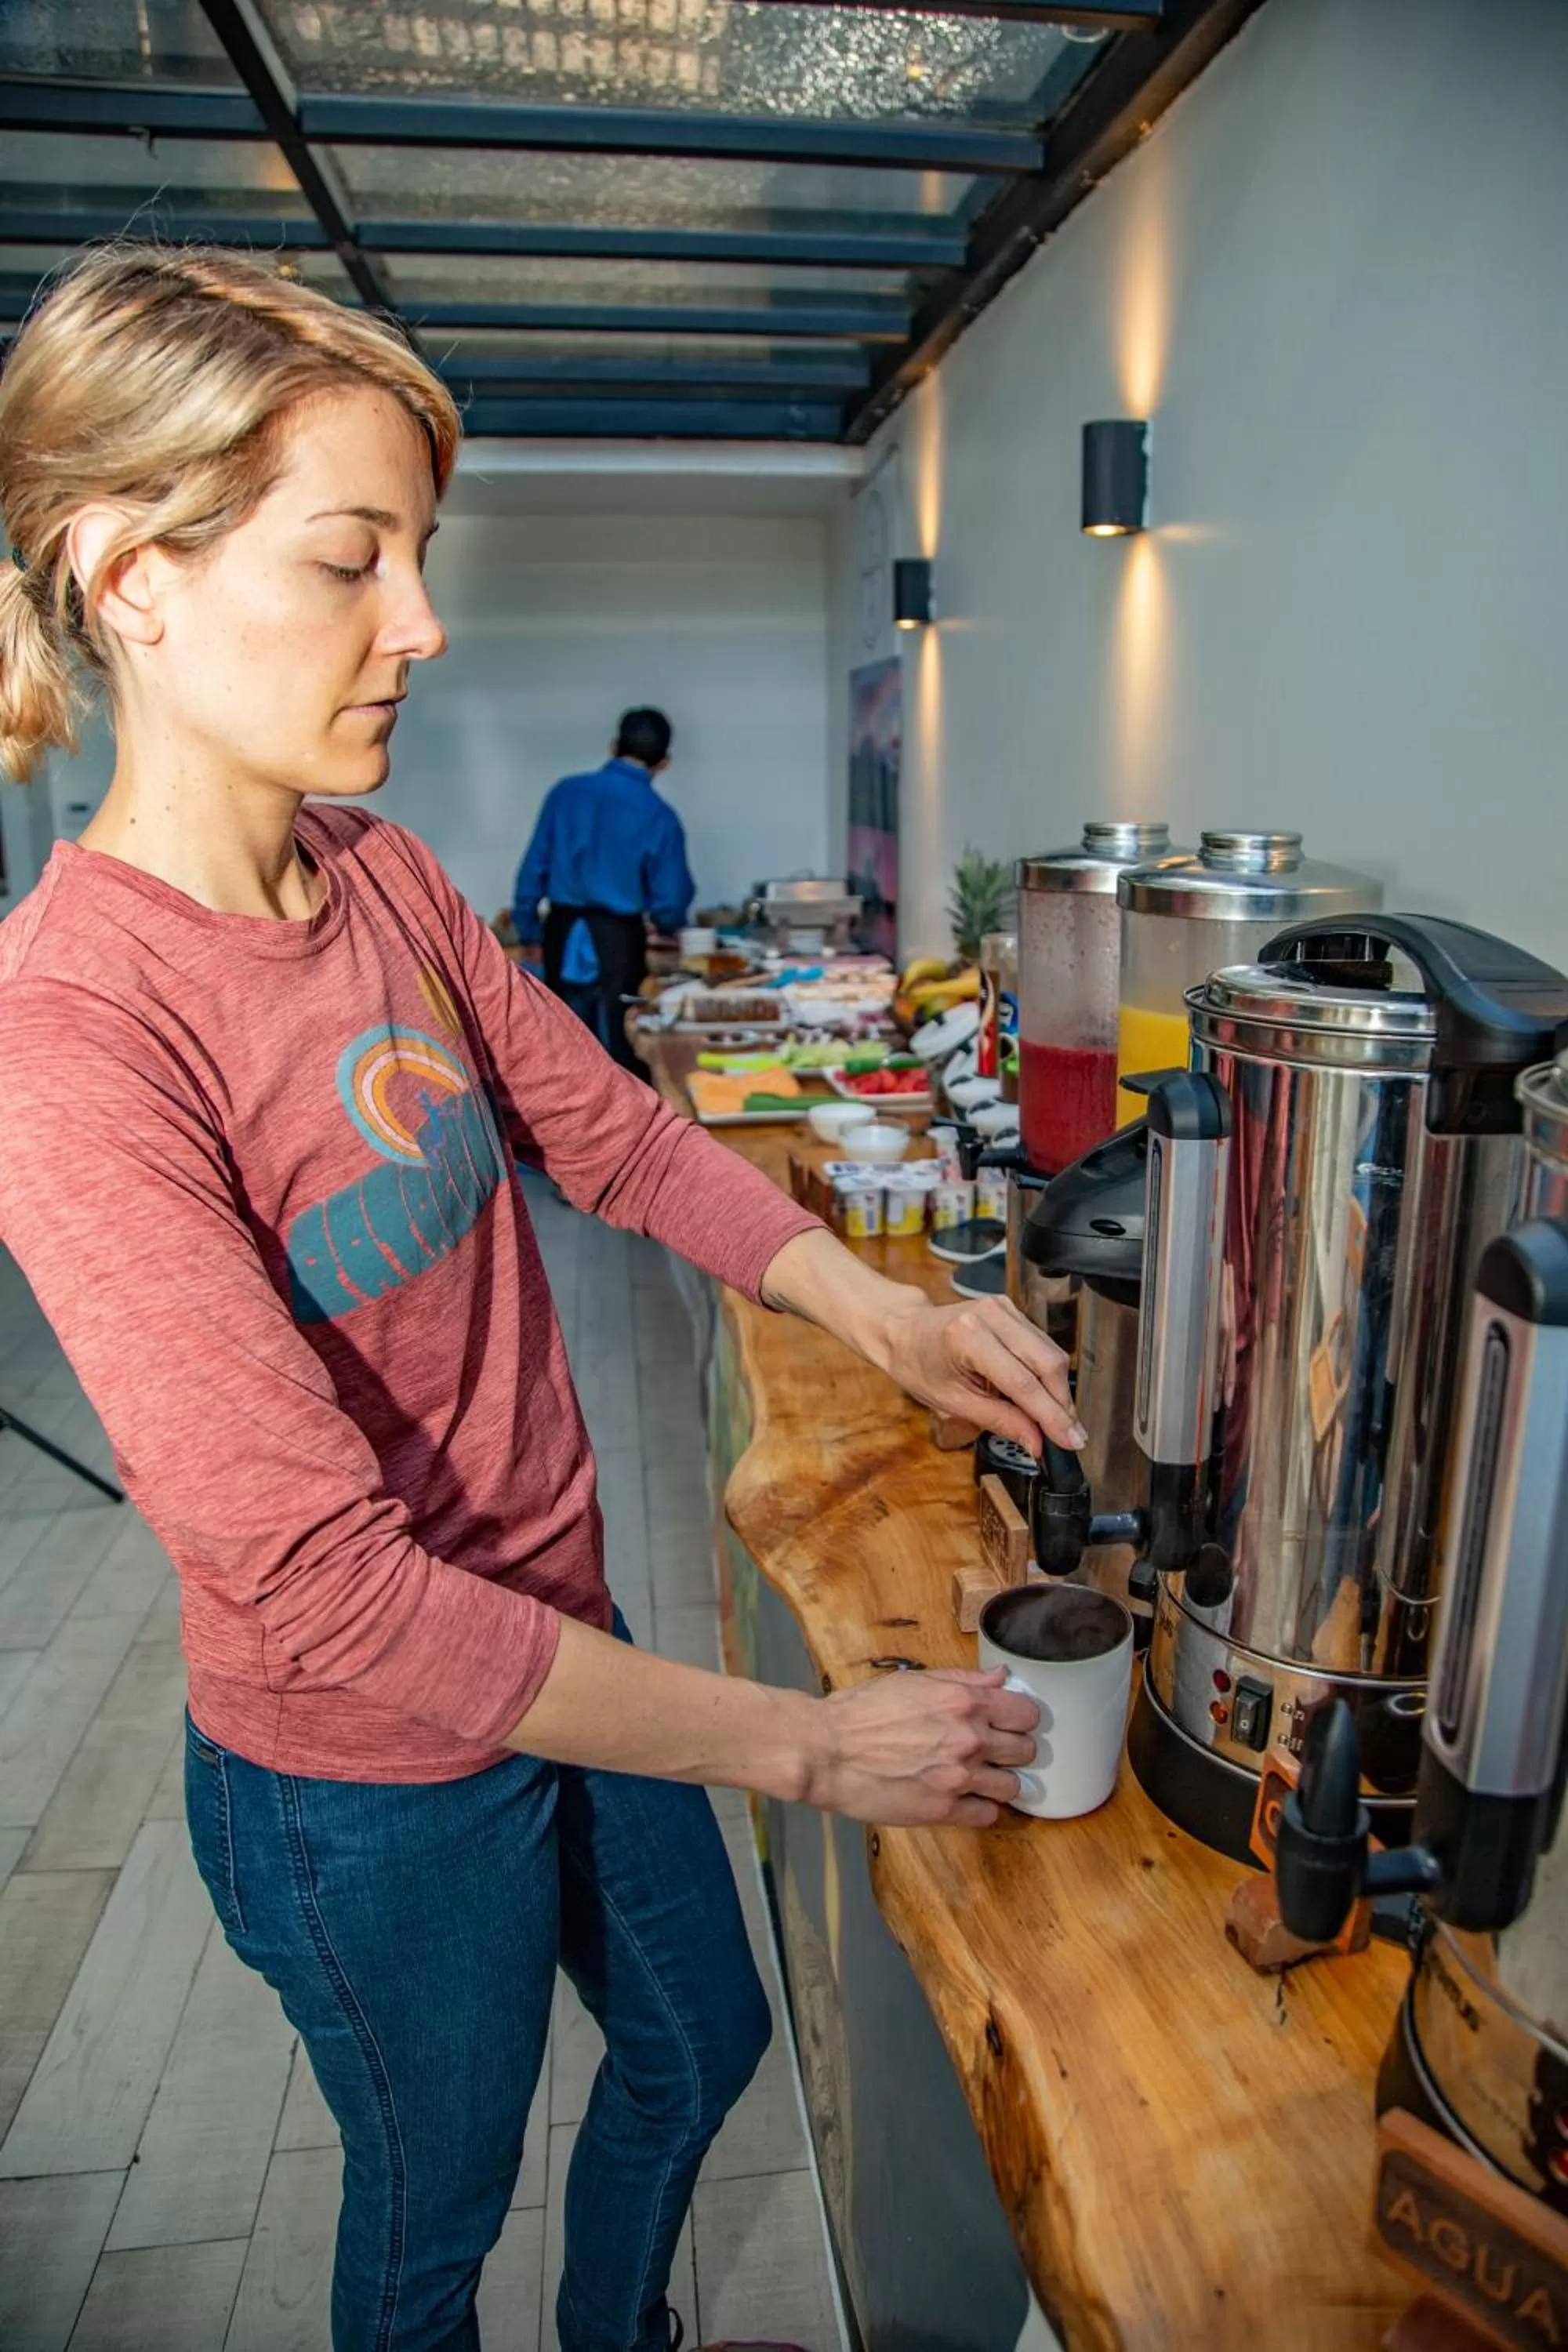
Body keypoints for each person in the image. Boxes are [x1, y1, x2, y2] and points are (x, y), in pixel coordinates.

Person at [0, 248, 1083, 2352]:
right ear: (133, 574)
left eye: (418, 552)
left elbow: (613, 1132)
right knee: (434, 2228)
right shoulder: (74, 1032)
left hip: (563, 1648)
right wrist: (805, 1745)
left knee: (699, 2049)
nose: (421, 622)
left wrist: (894, 1319)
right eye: (352, 560)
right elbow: (328, 1587)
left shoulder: (379, 873)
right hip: (365, 1782)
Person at [514, 709, 694, 1073]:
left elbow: (533, 867)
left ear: (614, 746)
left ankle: (568, 1128)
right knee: (621, 1047)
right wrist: (667, 925)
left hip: (561, 934)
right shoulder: (658, 814)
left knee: (564, 1044)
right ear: (664, 762)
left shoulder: (565, 793)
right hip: (619, 941)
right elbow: (671, 900)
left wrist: (529, 929)